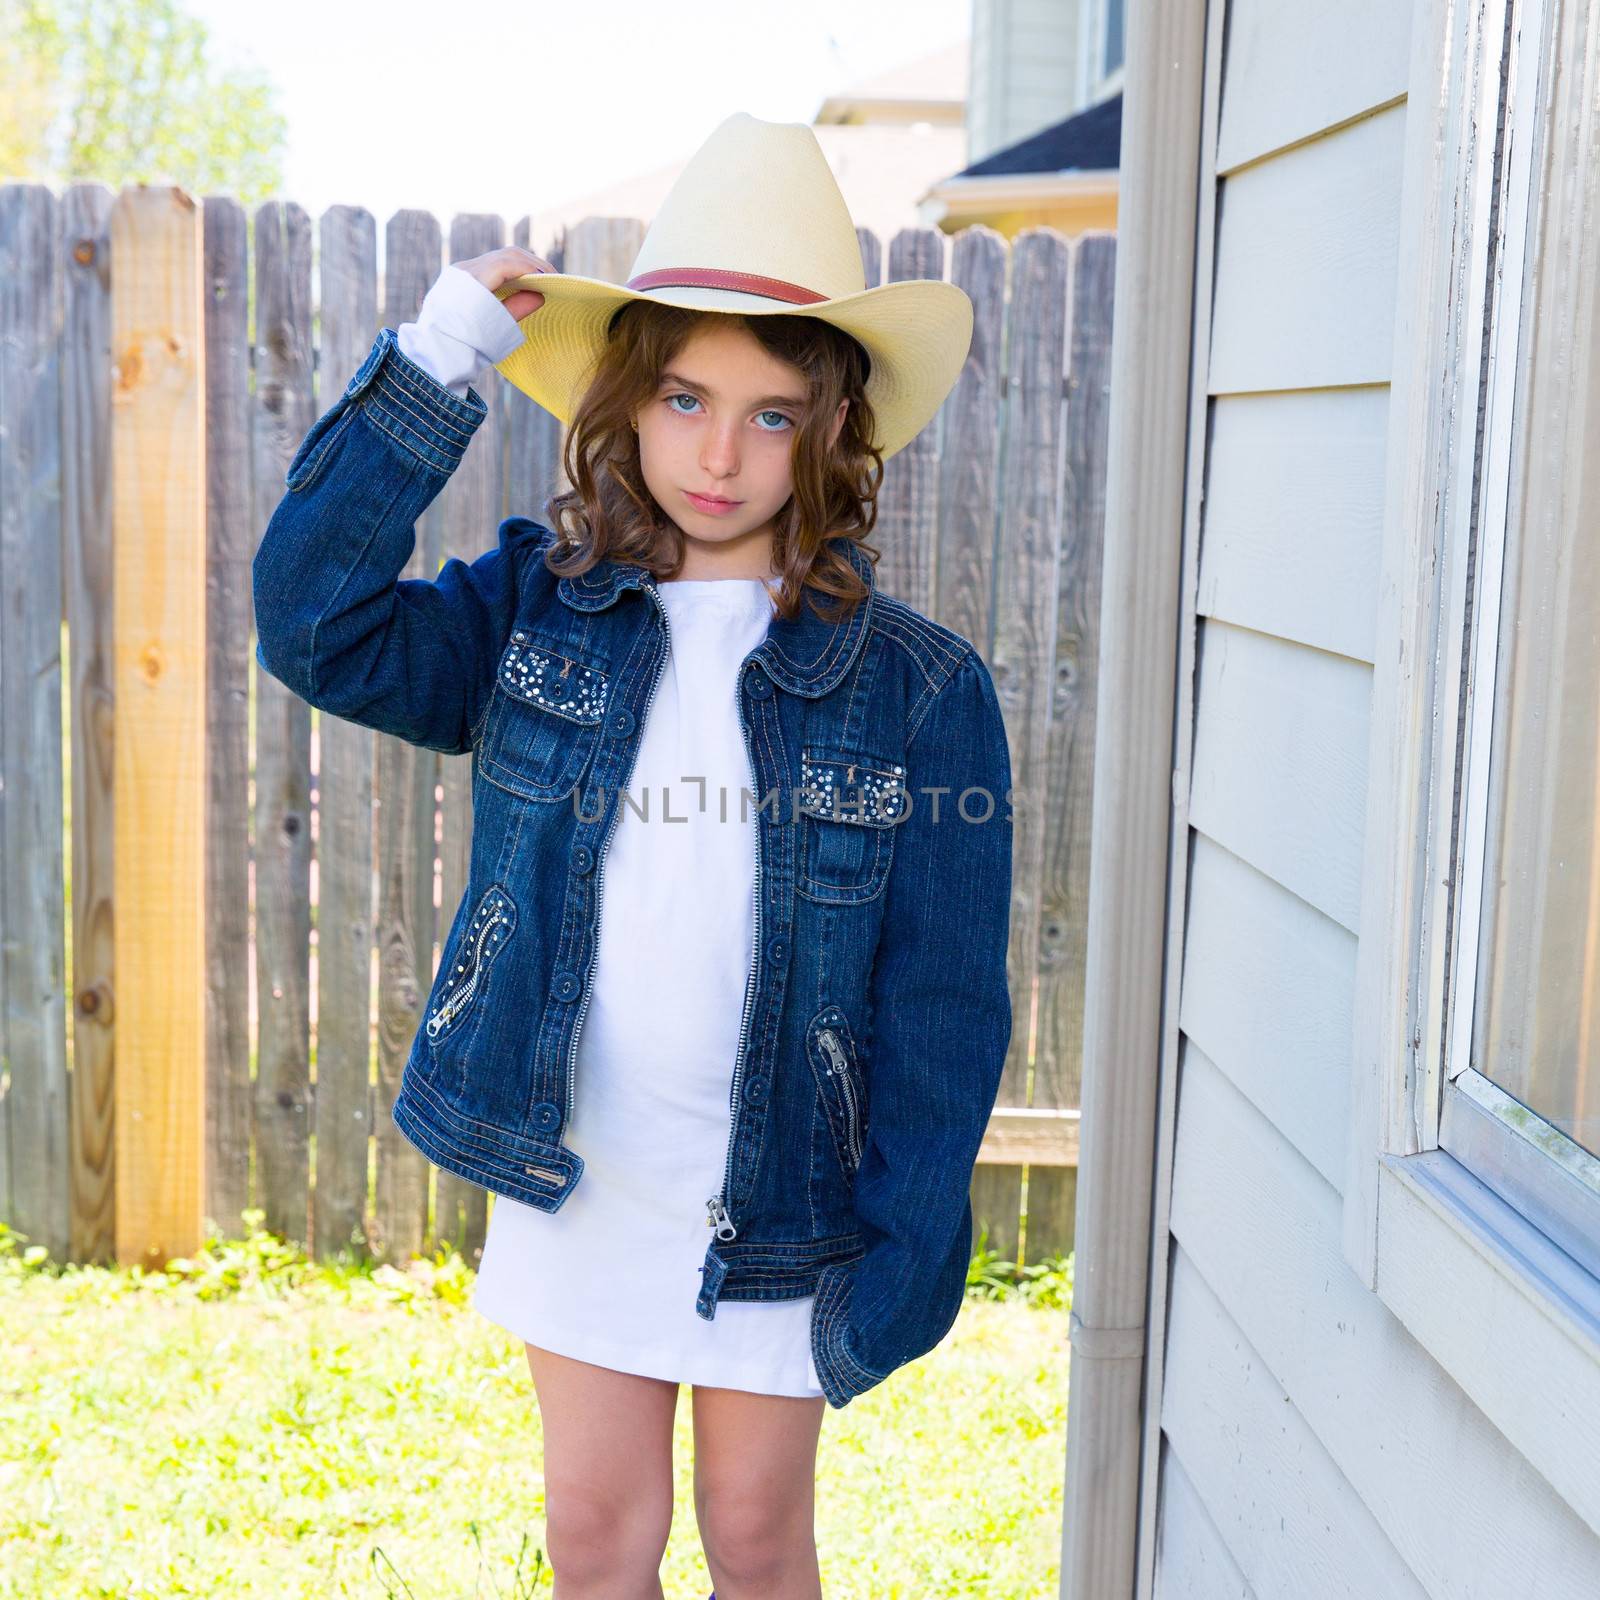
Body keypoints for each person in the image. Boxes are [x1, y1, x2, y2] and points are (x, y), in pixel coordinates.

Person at [254, 112, 1014, 1600]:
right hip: (578, 1170)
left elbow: (944, 1005)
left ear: (835, 429)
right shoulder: (538, 612)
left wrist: (906, 1238)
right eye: (682, 397)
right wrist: (435, 359)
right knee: (596, 1541)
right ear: (627, 400)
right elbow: (313, 622)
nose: (719, 454)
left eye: (771, 413)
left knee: (755, 1538)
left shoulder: (919, 690)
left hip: (787, 1195)